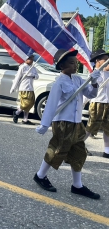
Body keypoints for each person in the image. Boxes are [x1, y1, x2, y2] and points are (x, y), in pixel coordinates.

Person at [34, 49, 101, 199]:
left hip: (77, 123)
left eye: (76, 63)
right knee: (58, 150)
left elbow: (91, 94)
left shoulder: (77, 79)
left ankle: (77, 185)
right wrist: (45, 124)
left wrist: (94, 82)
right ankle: (40, 175)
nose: (75, 66)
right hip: (63, 122)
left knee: (79, 151)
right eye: (71, 63)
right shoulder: (59, 82)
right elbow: (51, 104)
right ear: (62, 66)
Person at [84, 49, 109, 158]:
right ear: (98, 61)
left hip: (107, 102)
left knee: (108, 127)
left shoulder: (107, 74)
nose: (108, 62)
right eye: (106, 60)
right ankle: (78, 146)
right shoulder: (94, 74)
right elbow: (88, 91)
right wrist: (81, 104)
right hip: (97, 103)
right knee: (91, 126)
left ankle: (107, 151)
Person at [10, 53, 39, 125]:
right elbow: (17, 78)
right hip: (23, 88)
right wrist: (13, 87)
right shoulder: (22, 67)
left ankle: (25, 119)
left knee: (31, 103)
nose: (31, 60)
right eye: (29, 58)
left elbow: (37, 76)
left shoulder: (33, 68)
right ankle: (17, 112)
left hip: (30, 88)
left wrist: (32, 76)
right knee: (26, 103)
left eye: (32, 58)